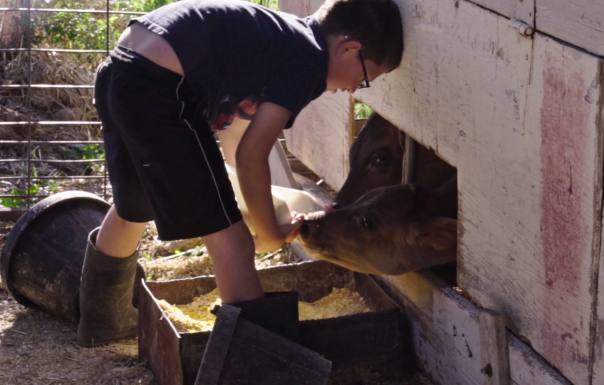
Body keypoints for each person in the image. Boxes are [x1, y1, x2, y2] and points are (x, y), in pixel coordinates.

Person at [77, 0, 404, 347]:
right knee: (232, 242)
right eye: (365, 78)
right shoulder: (307, 59)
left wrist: (249, 205)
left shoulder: (277, 38)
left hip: (122, 71)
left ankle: (102, 325)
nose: (355, 89)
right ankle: (255, 362)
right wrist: (269, 232)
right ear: (349, 49)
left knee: (134, 207)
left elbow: (236, 143)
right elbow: (251, 156)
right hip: (160, 88)